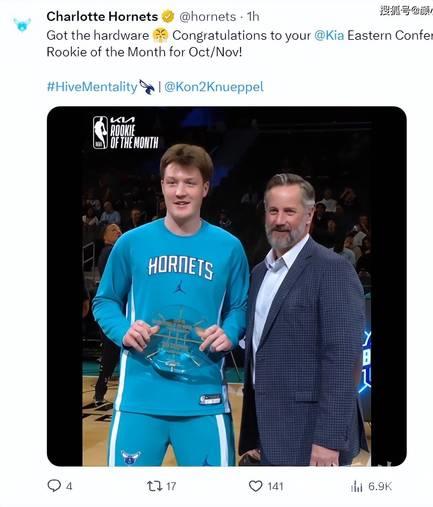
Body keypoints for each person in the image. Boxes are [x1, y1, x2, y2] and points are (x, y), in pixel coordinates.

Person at [93, 144, 249, 466]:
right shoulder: (131, 243)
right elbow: (105, 300)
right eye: (172, 182)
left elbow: (241, 306)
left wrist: (230, 332)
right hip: (139, 398)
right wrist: (123, 330)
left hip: (204, 398)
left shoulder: (229, 247)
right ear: (162, 185)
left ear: (205, 188)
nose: (180, 192)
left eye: (190, 182)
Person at [239, 173, 367, 466]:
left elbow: (344, 360)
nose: (279, 220)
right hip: (269, 433)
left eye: (289, 211)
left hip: (313, 438)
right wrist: (257, 435)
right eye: (273, 210)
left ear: (309, 215)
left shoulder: (332, 270)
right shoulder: (259, 273)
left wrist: (328, 440)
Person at [93, 224, 123, 406]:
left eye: (119, 229)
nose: (118, 231)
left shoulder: (112, 251)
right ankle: (99, 393)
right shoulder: (110, 251)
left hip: (116, 309)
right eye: (113, 230)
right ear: (104, 237)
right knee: (110, 353)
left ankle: (99, 393)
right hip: (114, 310)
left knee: (111, 353)